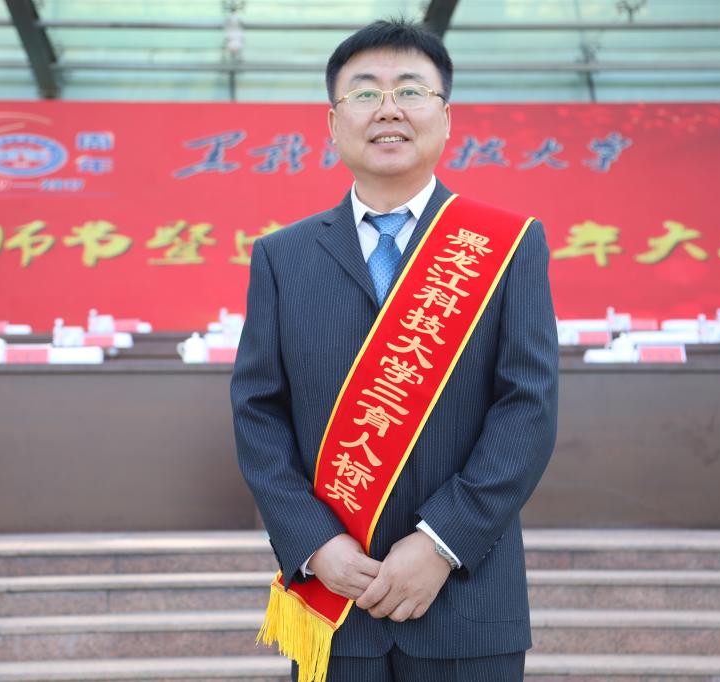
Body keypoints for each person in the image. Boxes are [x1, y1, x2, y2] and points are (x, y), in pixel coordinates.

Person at [231, 19, 558, 682]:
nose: (387, 109)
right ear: (332, 123)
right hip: (335, 602)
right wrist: (314, 543)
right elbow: (258, 413)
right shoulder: (282, 258)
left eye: (410, 90)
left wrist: (442, 543)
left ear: (445, 117)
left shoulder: (506, 246)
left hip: (467, 599)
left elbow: (528, 408)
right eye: (364, 93)